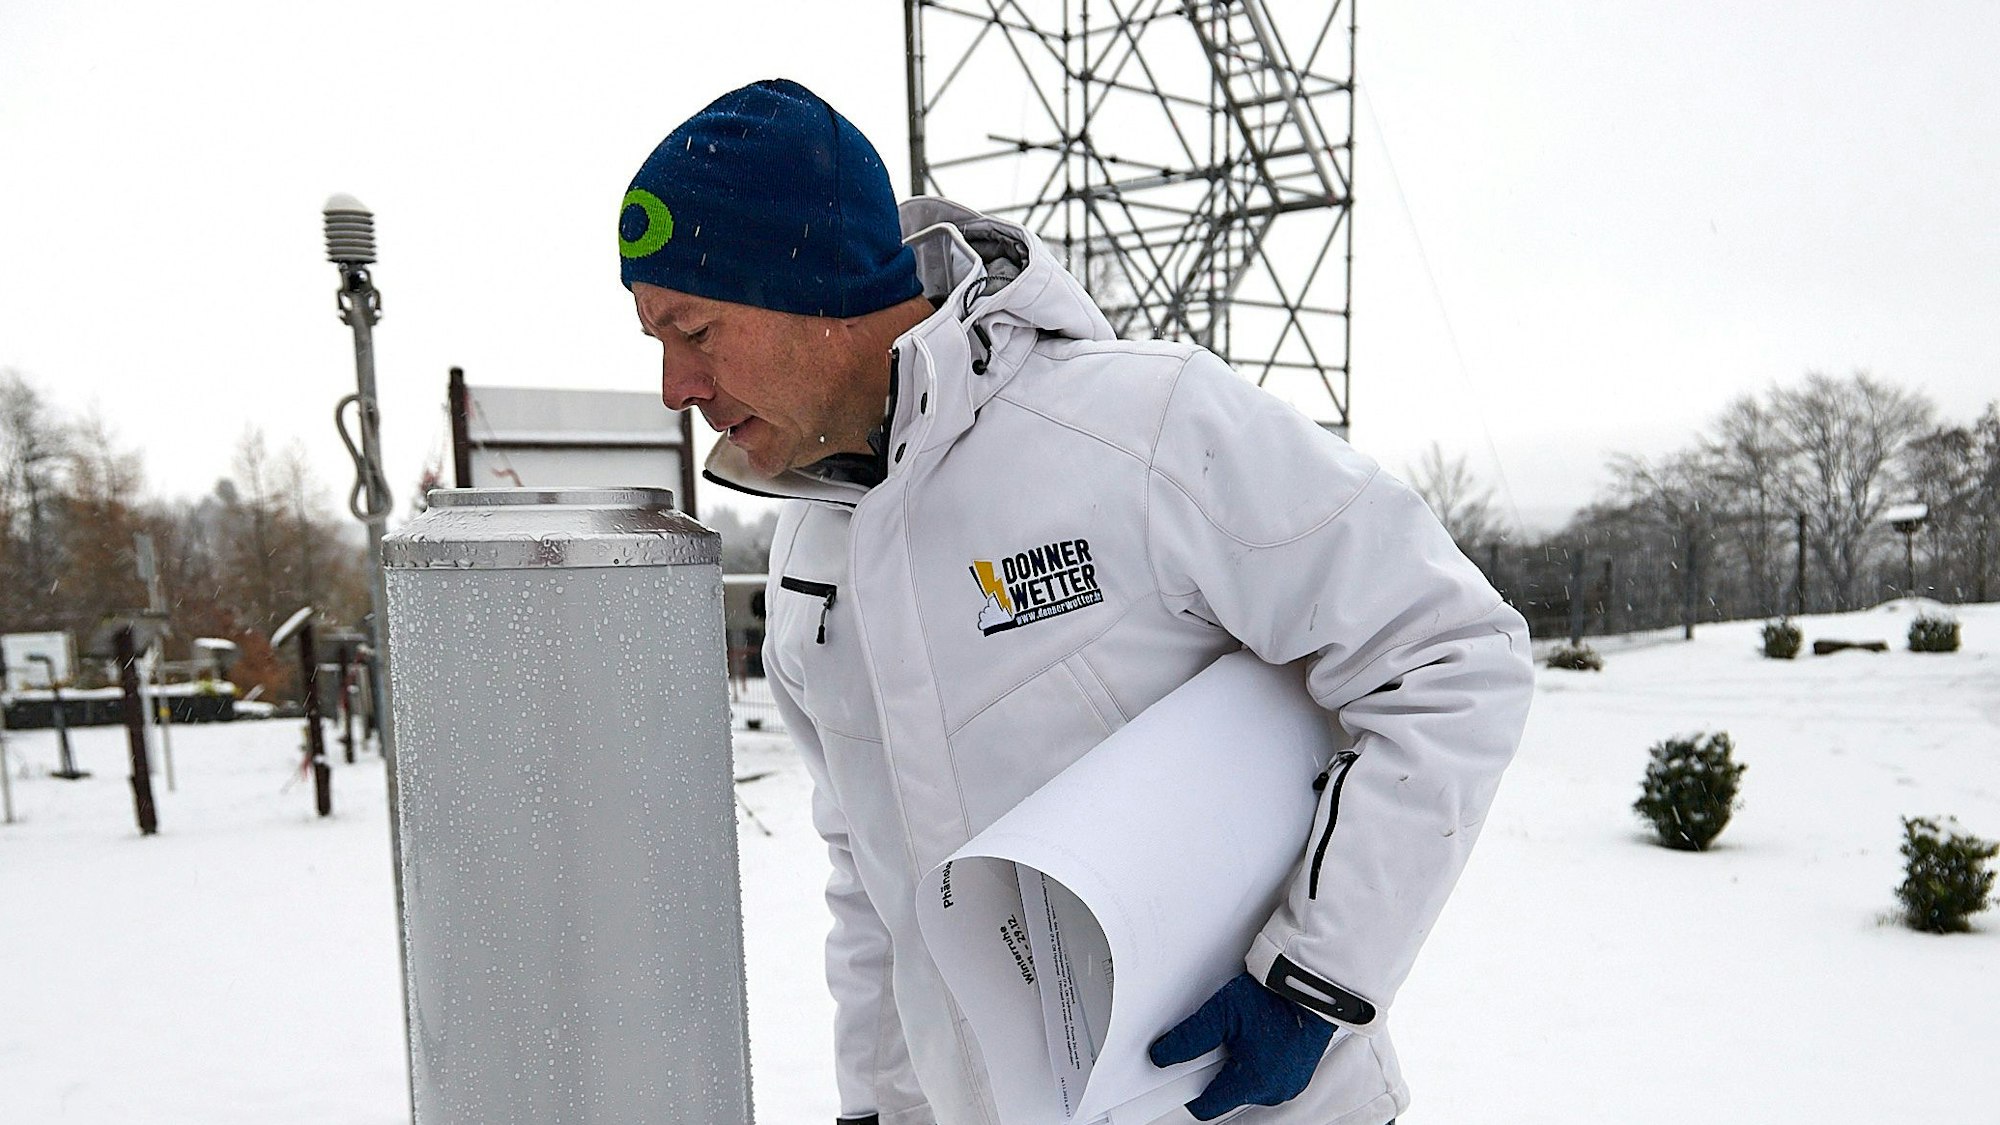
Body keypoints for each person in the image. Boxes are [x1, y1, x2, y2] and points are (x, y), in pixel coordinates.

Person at [619, 79, 1534, 1125]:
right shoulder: (809, 557)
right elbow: (870, 874)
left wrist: (1314, 982)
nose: (673, 387)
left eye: (692, 328)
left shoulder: (1138, 429)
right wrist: (879, 1105)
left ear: (820, 291)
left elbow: (1450, 654)